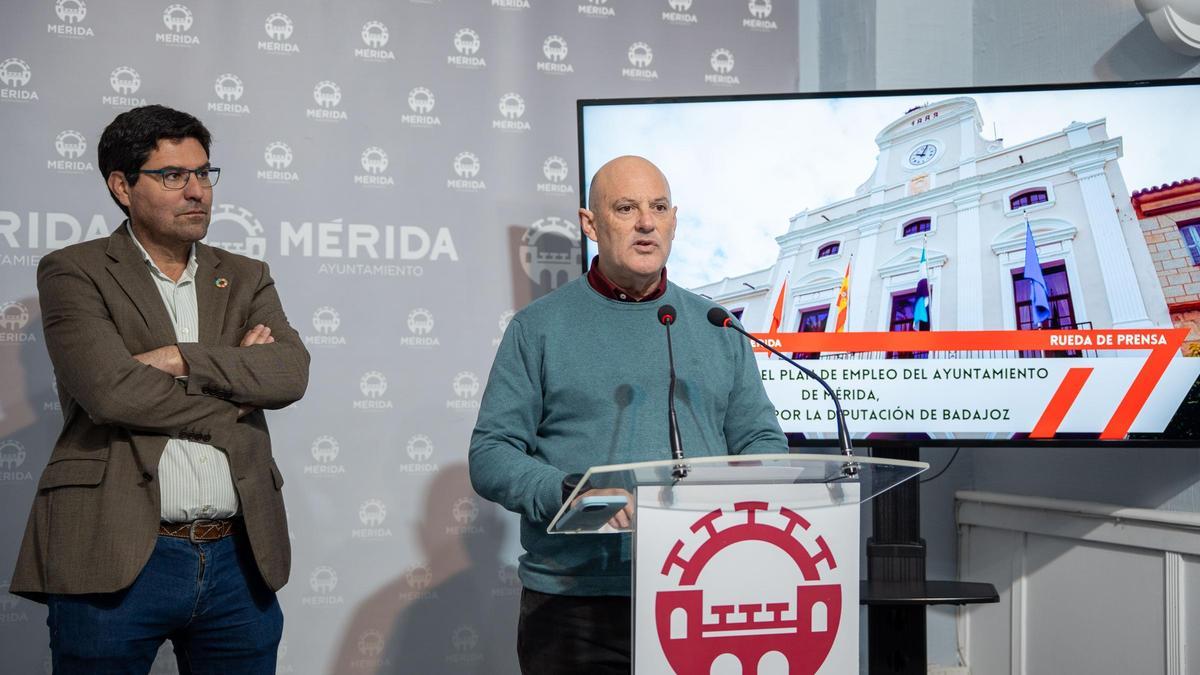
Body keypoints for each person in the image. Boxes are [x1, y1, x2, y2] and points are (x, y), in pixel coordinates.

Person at [10, 105, 310, 674]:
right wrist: (232, 389)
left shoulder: (245, 275)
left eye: (203, 173)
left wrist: (178, 358)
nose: (196, 191)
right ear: (122, 187)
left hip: (238, 558)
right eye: (172, 175)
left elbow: (290, 372)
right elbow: (111, 392)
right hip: (115, 551)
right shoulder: (74, 270)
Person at [468, 155, 786, 673]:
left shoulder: (717, 324)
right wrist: (568, 491)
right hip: (577, 606)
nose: (645, 223)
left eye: (658, 208)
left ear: (674, 222)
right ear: (590, 224)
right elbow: (491, 453)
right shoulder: (538, 327)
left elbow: (761, 440)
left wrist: (740, 488)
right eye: (625, 208)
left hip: (706, 588)